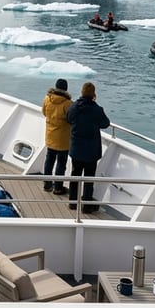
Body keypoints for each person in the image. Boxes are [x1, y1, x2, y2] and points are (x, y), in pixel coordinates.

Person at [65, 81, 110, 214]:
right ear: (93, 94)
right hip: (91, 151)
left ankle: (73, 202)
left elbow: (68, 118)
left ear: (82, 92)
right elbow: (105, 123)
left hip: (76, 149)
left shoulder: (74, 107)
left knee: (75, 176)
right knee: (89, 179)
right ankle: (86, 205)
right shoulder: (97, 109)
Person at [41, 78, 72, 195]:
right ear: (66, 89)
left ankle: (47, 185)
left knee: (49, 160)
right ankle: (58, 187)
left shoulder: (47, 98)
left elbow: (44, 112)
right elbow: (70, 119)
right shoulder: (68, 103)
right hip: (63, 138)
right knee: (61, 163)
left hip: (50, 135)